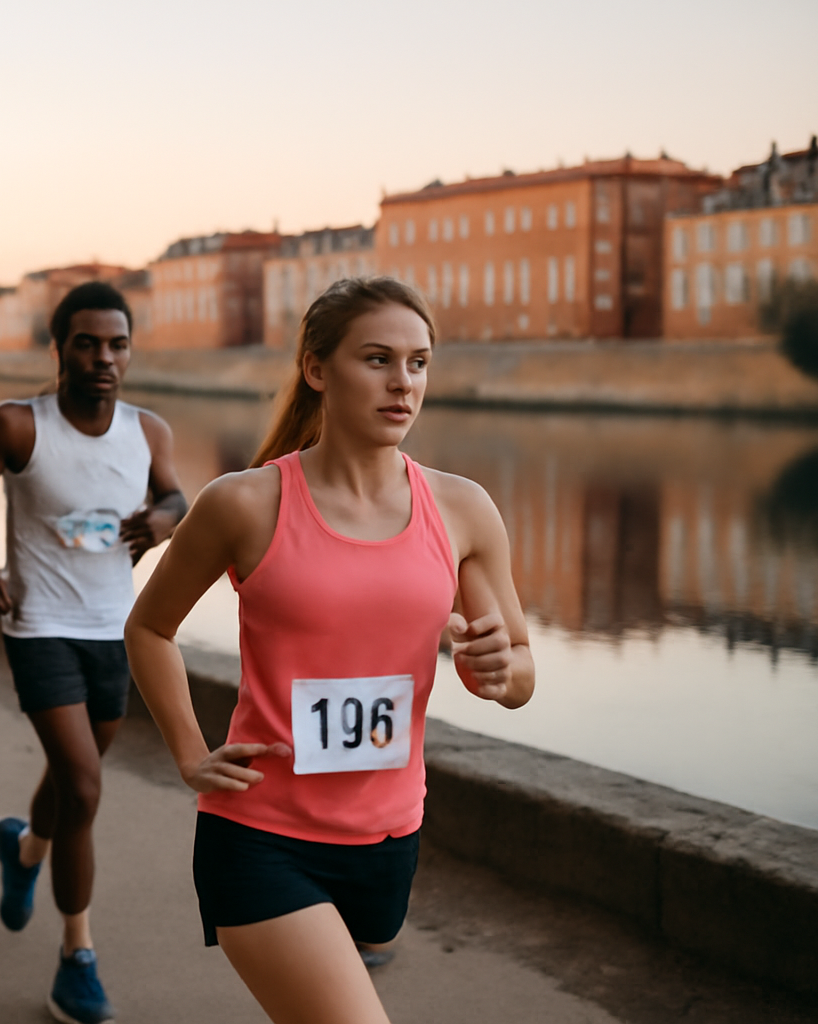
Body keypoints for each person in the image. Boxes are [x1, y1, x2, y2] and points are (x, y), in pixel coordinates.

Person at [123, 276, 535, 1024]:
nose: (402, 383)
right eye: (377, 359)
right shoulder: (245, 503)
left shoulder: (463, 508)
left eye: (418, 363)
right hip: (259, 834)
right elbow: (149, 628)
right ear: (318, 369)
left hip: (389, 837)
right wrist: (188, 753)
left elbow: (519, 673)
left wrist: (497, 669)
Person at [0, 281, 187, 1024]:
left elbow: (176, 497)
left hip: (117, 631)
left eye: (116, 344)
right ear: (59, 350)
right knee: (83, 786)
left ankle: (23, 852)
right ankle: (76, 957)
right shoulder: (19, 426)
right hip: (40, 626)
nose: (104, 357)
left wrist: (163, 518)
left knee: (71, 776)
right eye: (87, 342)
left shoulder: (148, 432)